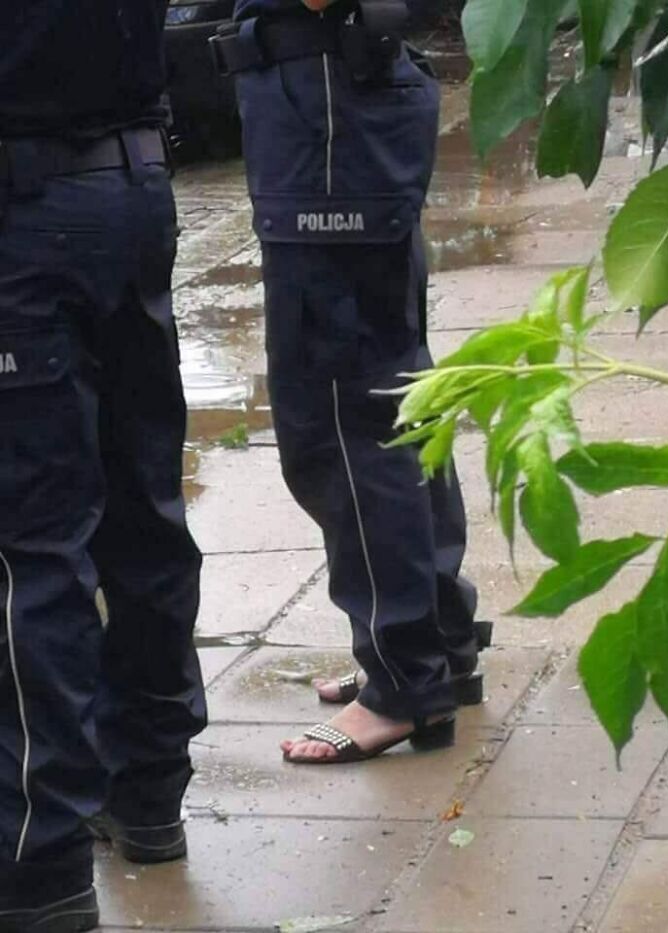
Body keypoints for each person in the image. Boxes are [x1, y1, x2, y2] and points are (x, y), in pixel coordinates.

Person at [212, 0, 489, 765]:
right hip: (336, 115)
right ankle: (436, 642)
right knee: (391, 396)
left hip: (331, 117)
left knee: (343, 422)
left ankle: (403, 681)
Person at [0, 3, 207, 930]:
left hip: (28, 202)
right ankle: (149, 787)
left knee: (30, 546)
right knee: (140, 501)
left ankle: (35, 863)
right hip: (131, 186)